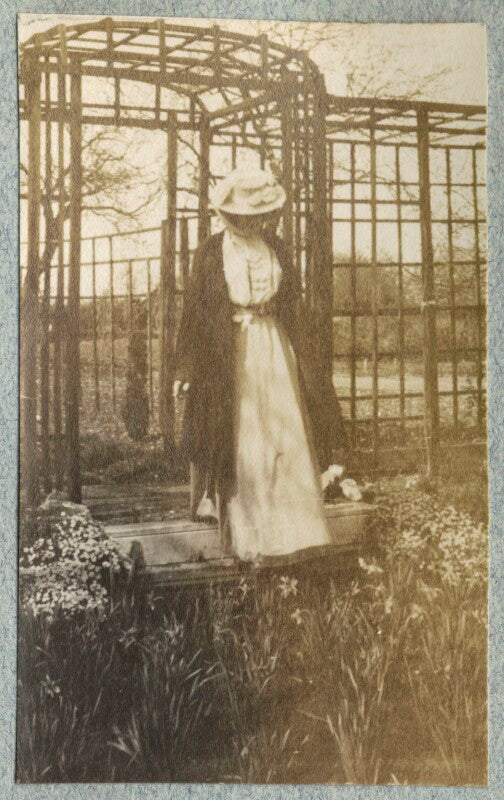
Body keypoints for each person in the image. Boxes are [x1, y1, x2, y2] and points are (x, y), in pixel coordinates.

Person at [173, 167, 348, 566]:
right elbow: (194, 314)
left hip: (274, 350)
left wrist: (308, 363)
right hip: (228, 354)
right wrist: (185, 369)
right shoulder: (211, 252)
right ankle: (247, 533)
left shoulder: (279, 249)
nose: (252, 221)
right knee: (244, 441)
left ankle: (294, 532)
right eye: (244, 214)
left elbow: (294, 307)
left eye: (259, 214)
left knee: (282, 439)